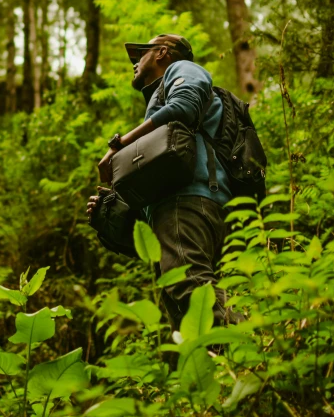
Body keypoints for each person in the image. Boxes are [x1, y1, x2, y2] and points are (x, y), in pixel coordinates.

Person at [86, 34, 232, 330]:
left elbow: (185, 105)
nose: (134, 63)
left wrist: (119, 145)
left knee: (190, 289)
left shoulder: (183, 70)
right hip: (190, 205)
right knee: (186, 314)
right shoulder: (159, 105)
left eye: (140, 54)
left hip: (189, 202)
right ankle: (226, 371)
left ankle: (252, 356)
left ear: (162, 53)